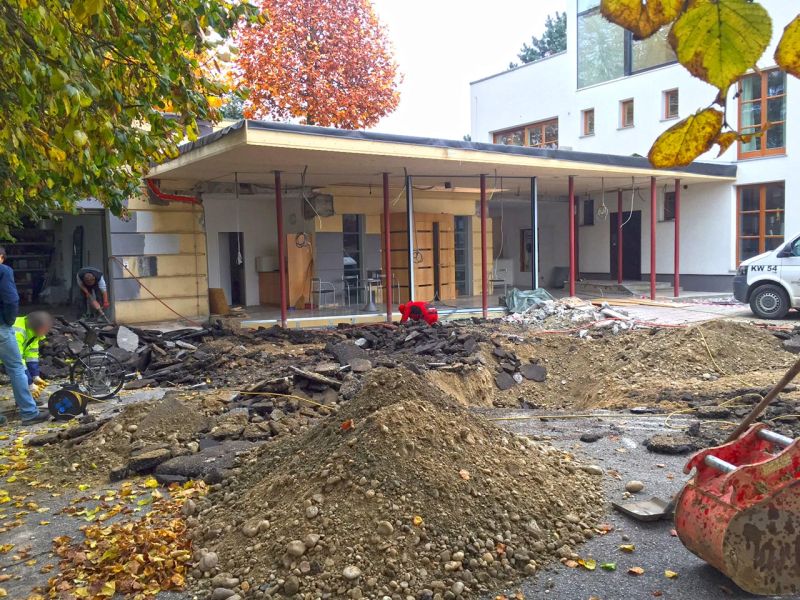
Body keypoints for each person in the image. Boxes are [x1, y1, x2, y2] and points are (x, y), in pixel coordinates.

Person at [0, 247, 48, 424]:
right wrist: (7, 321)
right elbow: (11, 299)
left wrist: (34, 374)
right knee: (16, 368)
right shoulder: (3, 271)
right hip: (1, 327)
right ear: (2, 257)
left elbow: (32, 350)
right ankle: (29, 413)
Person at [13, 311, 54, 402]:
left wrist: (35, 376)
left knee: (20, 377)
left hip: (11, 357)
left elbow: (31, 355)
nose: (46, 333)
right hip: (5, 357)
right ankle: (27, 408)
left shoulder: (33, 332)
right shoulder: (17, 332)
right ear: (38, 327)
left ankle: (23, 401)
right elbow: (17, 361)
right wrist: (30, 384)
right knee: (17, 375)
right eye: (45, 329)